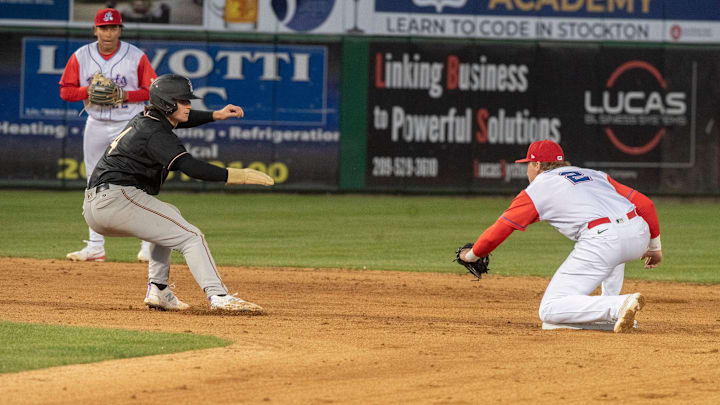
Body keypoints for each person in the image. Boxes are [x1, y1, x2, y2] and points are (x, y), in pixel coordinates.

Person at [82, 73, 274, 312]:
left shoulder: (147, 118)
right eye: (182, 101)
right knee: (191, 236)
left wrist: (217, 114)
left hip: (97, 203)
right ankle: (219, 296)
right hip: (117, 199)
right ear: (166, 103)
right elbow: (190, 167)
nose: (188, 105)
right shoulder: (156, 134)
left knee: (170, 218)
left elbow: (184, 118)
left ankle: (159, 290)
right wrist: (238, 176)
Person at [459, 140, 662, 333]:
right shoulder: (595, 175)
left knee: (550, 309)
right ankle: (609, 312)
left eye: (528, 164)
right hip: (638, 233)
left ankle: (616, 306)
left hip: (605, 239)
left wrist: (472, 255)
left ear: (537, 164)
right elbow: (646, 205)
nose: (527, 170)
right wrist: (654, 248)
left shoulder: (538, 188)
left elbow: (501, 229)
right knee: (613, 247)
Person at [59, 8, 157, 263]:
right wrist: (87, 90)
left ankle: (147, 245)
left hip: (128, 123)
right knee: (93, 181)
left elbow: (153, 90)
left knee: (136, 180)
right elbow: (65, 92)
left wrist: (125, 95)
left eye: (113, 27)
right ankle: (95, 247)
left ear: (120, 30)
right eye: (103, 28)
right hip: (96, 122)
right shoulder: (82, 56)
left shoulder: (136, 56)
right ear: (95, 30)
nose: (108, 32)